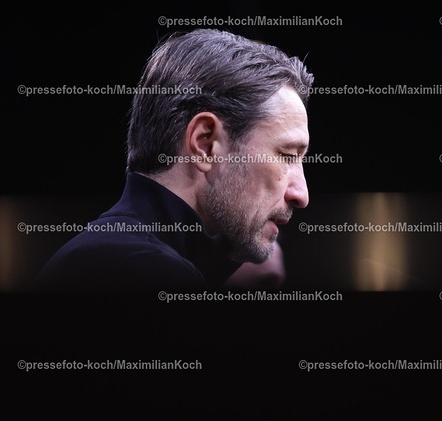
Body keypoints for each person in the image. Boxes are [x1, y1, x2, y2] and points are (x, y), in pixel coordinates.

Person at [36, 28, 313, 292]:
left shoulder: (113, 255)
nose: (301, 195)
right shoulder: (140, 270)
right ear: (205, 144)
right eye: (287, 155)